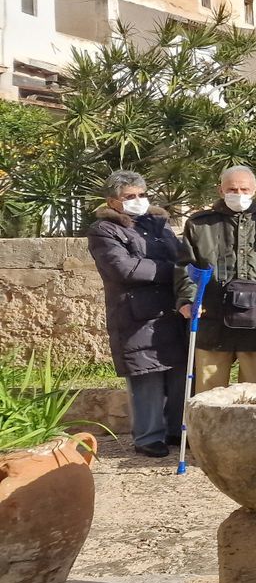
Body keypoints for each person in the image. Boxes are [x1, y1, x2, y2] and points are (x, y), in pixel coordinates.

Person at [87, 171, 187, 458]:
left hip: (168, 311)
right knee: (146, 376)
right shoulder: (103, 230)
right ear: (112, 201)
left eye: (141, 195)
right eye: (129, 197)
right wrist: (174, 271)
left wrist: (179, 269)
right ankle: (148, 436)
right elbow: (124, 268)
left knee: (177, 373)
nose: (138, 201)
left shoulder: (159, 223)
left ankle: (174, 431)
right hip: (134, 315)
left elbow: (180, 255)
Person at [177, 165, 256, 392]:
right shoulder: (199, 225)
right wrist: (188, 301)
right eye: (232, 189)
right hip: (212, 325)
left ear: (255, 190)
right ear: (220, 190)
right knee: (208, 399)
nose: (238, 195)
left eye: (244, 189)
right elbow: (185, 268)